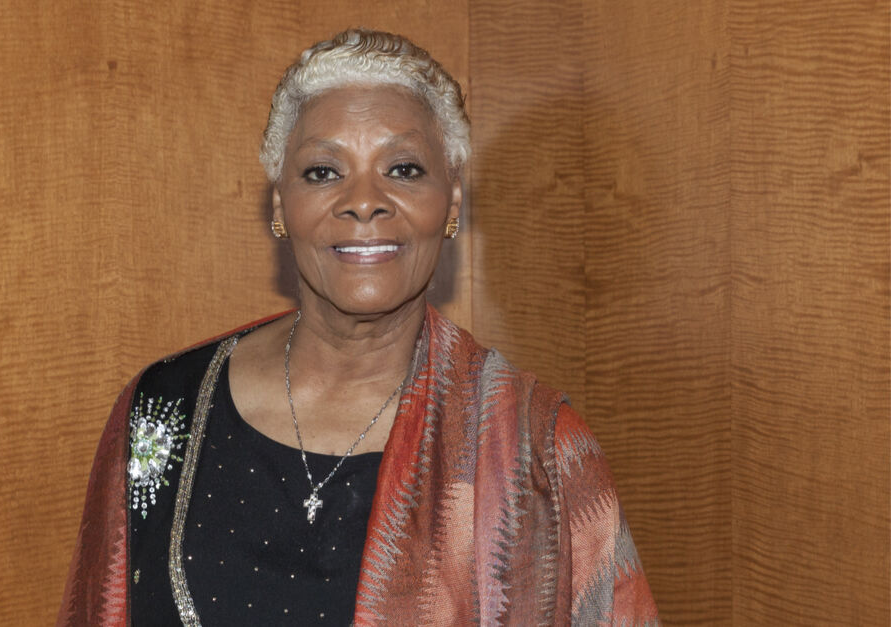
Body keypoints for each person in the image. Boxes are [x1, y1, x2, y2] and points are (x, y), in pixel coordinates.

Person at [57, 29, 660, 626]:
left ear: (450, 203)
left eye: (403, 168)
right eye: (323, 172)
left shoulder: (537, 450)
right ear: (279, 205)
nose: (364, 200)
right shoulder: (161, 408)